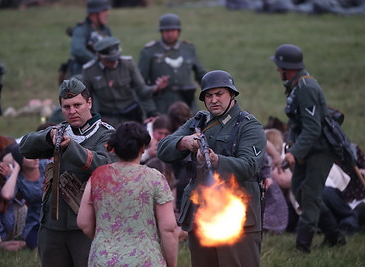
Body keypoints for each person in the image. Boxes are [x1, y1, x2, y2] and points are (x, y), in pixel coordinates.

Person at [157, 70, 267, 267]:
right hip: (201, 213)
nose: (214, 100)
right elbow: (163, 149)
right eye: (209, 95)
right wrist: (185, 142)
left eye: (219, 94)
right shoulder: (199, 121)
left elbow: (249, 166)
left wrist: (217, 160)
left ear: (232, 94)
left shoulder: (249, 126)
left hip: (235, 214)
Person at [19, 77, 116, 267]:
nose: (72, 111)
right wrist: (48, 136)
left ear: (89, 103)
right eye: (66, 107)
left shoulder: (106, 134)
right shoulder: (60, 131)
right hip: (52, 225)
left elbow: (103, 166)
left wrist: (70, 147)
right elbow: (24, 147)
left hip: (87, 225)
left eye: (77, 105)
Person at [271, 44, 346, 253]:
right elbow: (296, 122)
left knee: (310, 196)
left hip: (321, 150)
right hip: (307, 148)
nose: (278, 70)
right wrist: (293, 145)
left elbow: (313, 129)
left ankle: (302, 247)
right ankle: (334, 236)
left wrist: (294, 153)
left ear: (288, 67)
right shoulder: (295, 86)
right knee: (299, 190)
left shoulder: (307, 88)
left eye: (280, 66)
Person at [77, 121, 178, 266]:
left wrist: (106, 239)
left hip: (104, 259)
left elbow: (84, 223)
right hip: (145, 260)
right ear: (143, 148)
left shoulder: (97, 176)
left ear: (115, 149)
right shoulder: (155, 178)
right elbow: (169, 228)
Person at [82, 36, 168, 127]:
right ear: (99, 56)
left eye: (116, 58)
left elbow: (142, 90)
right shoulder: (89, 71)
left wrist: (156, 88)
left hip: (131, 117)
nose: (114, 62)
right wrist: (93, 118)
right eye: (110, 60)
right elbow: (86, 100)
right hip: (107, 119)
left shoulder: (128, 64)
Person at [138, 13, 207, 114]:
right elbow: (140, 85)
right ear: (162, 32)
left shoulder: (188, 49)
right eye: (167, 31)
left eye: (173, 30)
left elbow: (200, 74)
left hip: (187, 104)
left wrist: (213, 87)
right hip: (161, 106)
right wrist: (150, 110)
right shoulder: (149, 52)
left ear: (178, 31)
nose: (170, 34)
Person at [1, 143, 49, 249]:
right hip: (36, 222)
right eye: (29, 156)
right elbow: (7, 195)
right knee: (35, 244)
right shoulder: (18, 178)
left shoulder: (46, 165)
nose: (35, 158)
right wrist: (17, 168)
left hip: (57, 217)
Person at [69, 0, 112, 76]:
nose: (107, 14)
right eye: (104, 10)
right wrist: (99, 63)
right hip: (84, 74)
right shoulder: (81, 29)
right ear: (94, 14)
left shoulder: (105, 30)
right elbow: (77, 50)